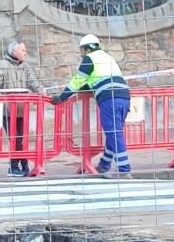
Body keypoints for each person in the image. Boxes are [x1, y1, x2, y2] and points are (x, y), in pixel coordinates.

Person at [52, 34, 131, 177]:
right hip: (124, 97)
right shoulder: (107, 57)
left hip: (109, 98)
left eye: (81, 51)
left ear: (87, 49)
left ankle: (124, 170)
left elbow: (78, 80)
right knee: (113, 133)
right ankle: (104, 165)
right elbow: (92, 82)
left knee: (114, 134)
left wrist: (62, 97)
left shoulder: (90, 59)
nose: (81, 55)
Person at [0, 40, 46, 177]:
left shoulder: (25, 66)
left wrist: (39, 90)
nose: (25, 53)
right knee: (16, 138)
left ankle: (21, 166)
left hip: (22, 110)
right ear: (14, 51)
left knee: (21, 138)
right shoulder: (2, 65)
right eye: (23, 50)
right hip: (7, 111)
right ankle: (17, 166)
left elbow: (33, 82)